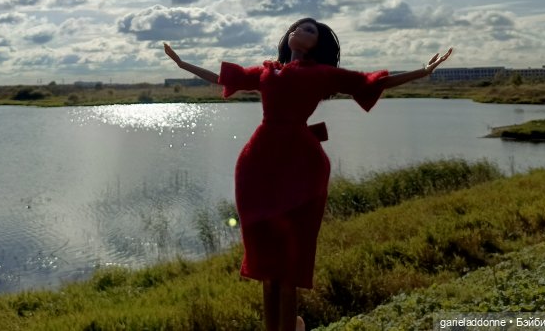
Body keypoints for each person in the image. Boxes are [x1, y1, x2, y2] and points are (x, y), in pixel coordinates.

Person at [163, 18, 452, 331]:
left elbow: (369, 83)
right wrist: (182, 64)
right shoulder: (267, 71)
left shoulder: (322, 74)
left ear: (317, 45)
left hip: (301, 164)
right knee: (264, 261)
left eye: (309, 30)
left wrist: (423, 71)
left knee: (290, 263)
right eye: (297, 27)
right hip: (257, 165)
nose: (298, 31)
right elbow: (223, 77)